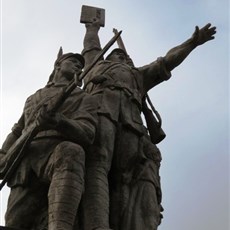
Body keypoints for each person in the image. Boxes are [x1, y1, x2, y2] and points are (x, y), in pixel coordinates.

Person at [81, 19, 216, 230]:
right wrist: (92, 28)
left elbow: (166, 61)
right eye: (119, 55)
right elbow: (91, 46)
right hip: (100, 112)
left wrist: (192, 43)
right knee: (98, 163)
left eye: (125, 56)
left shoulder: (137, 74)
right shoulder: (95, 64)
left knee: (124, 177)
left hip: (131, 123)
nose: (122, 56)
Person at [0, 49, 98, 230]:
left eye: (81, 65)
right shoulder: (33, 97)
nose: (78, 65)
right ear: (58, 65)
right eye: (73, 61)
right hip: (26, 158)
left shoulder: (84, 98)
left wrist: (60, 122)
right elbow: (18, 130)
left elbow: (87, 132)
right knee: (15, 223)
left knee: (71, 151)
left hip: (56, 153)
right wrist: (4, 154)